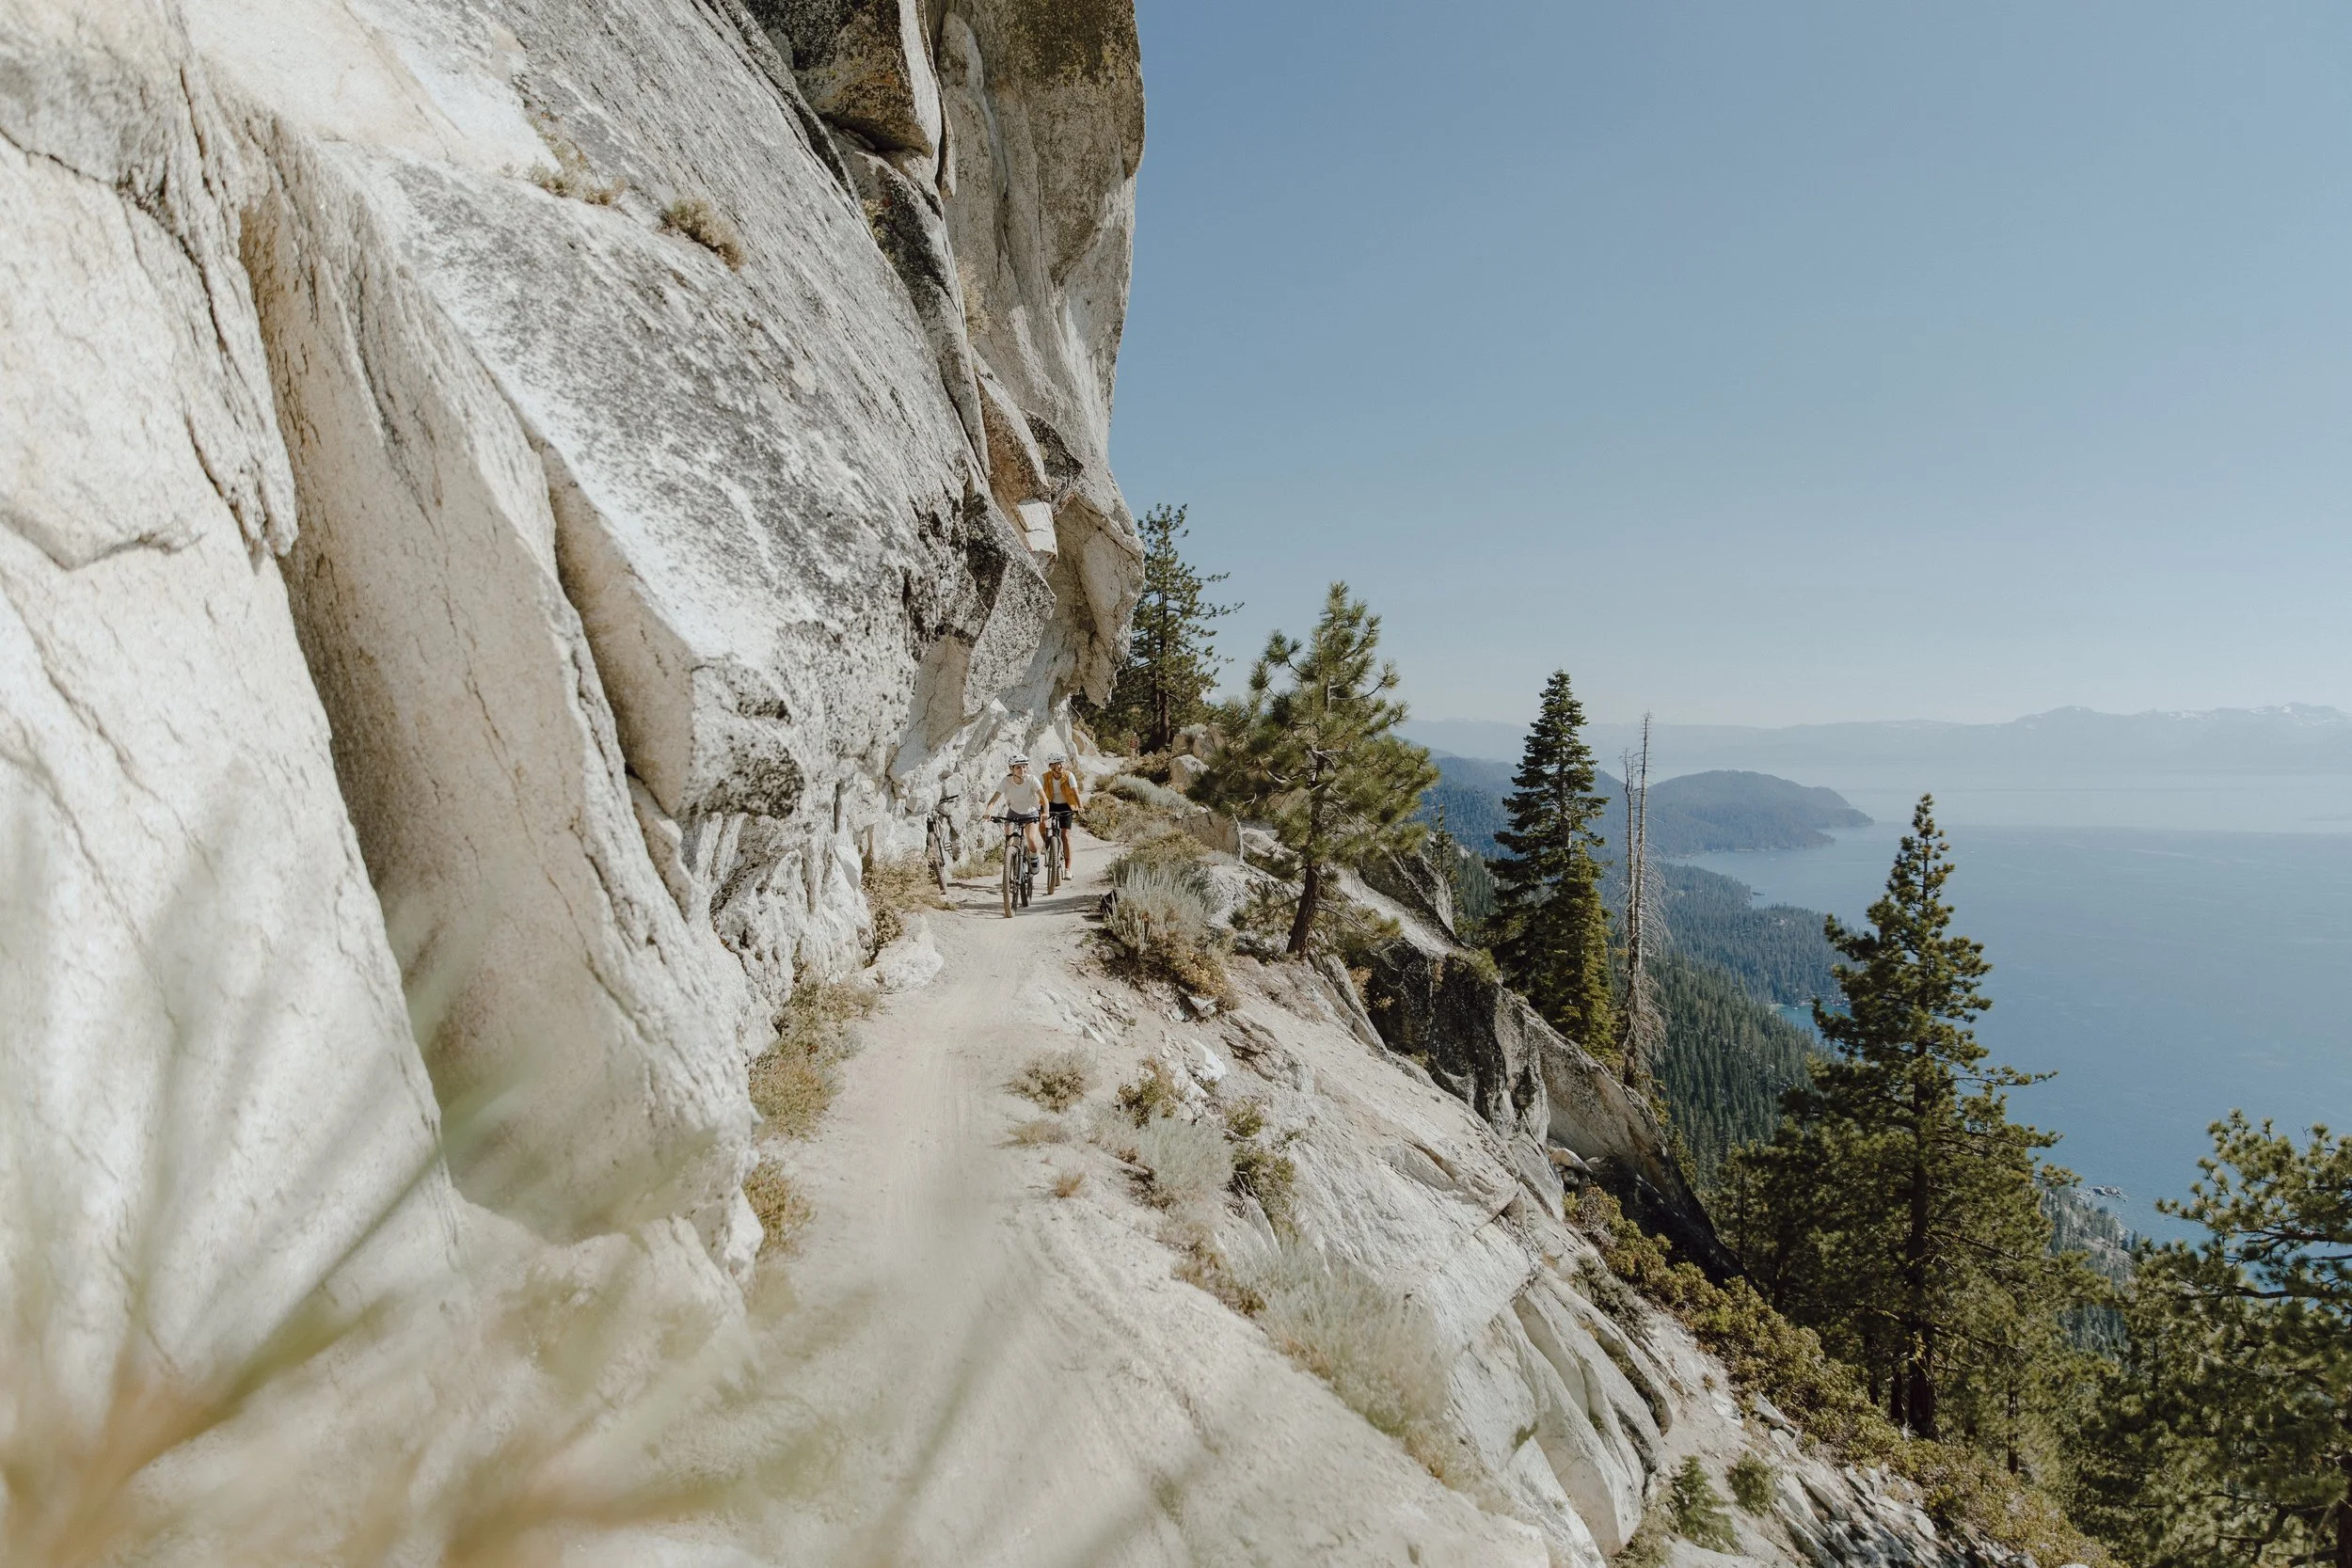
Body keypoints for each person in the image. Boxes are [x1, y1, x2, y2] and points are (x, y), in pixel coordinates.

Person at [983, 754, 1047, 875]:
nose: (1022, 770)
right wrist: (988, 811)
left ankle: (1033, 857)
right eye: (1018, 767)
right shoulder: (1006, 781)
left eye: (1024, 767)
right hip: (1013, 812)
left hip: (1031, 812)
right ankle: (1011, 862)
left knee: (1031, 839)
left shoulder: (1032, 779)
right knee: (1009, 839)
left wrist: (1046, 812)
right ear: (1011, 769)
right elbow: (994, 799)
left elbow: (1044, 798)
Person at [1041, 753, 1085, 871]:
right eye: (1058, 764)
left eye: (1061, 763)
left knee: (1065, 836)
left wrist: (1080, 806)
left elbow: (1075, 792)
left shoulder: (1069, 776)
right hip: (1050, 805)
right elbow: (1037, 791)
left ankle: (1067, 869)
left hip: (1066, 806)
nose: (1061, 766)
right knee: (1042, 822)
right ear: (1051, 766)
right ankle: (1047, 843)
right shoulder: (1045, 777)